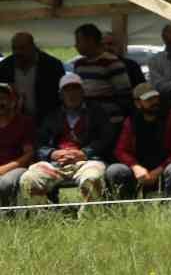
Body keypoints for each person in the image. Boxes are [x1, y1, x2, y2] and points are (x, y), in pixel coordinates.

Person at [20, 74, 115, 205]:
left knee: (92, 178)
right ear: (60, 94)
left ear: (83, 92)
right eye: (67, 90)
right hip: (55, 164)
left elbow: (106, 138)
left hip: (87, 161)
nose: (72, 94)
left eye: (75, 89)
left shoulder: (97, 112)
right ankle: (46, 216)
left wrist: (84, 153)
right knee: (28, 179)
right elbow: (39, 143)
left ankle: (88, 218)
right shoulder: (51, 115)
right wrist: (53, 153)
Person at [107, 83, 171, 199]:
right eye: (148, 99)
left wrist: (159, 169)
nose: (154, 102)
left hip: (165, 168)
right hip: (140, 172)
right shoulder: (131, 121)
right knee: (115, 170)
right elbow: (120, 150)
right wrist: (135, 166)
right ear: (137, 103)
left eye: (155, 97)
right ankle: (128, 207)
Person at [69, 23, 135, 131]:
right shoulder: (79, 64)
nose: (76, 45)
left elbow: (125, 95)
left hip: (109, 121)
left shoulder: (112, 63)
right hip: (87, 121)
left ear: (90, 41)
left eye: (78, 41)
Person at [0, 32, 65, 122]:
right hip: (14, 123)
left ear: (33, 47)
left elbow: (60, 97)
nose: (17, 52)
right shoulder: (4, 67)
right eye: (14, 48)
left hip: (46, 122)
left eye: (22, 48)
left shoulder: (52, 65)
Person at [0, 82, 36, 207]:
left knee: (4, 183)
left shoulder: (24, 123)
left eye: (3, 98)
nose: (1, 102)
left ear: (12, 101)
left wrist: (4, 169)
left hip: (17, 167)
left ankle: (8, 217)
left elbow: (29, 154)